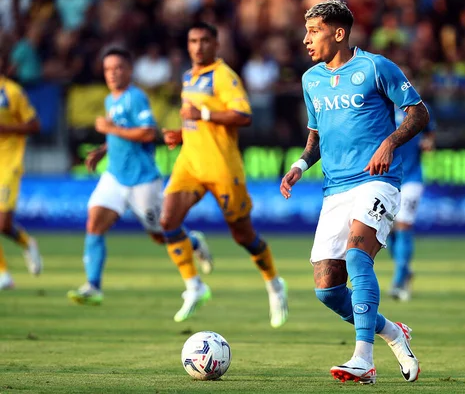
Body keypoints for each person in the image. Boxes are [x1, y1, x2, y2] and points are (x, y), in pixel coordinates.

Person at [280, 0, 429, 384]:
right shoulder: (310, 79)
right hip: (335, 188)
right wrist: (299, 166)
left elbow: (418, 113)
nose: (306, 39)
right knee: (327, 289)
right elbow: (316, 137)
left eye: (314, 31)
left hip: (377, 180)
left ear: (339, 33)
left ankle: (363, 359)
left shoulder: (376, 67)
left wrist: (390, 142)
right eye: (307, 31)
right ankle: (393, 332)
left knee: (358, 255)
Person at [161, 22, 289, 327]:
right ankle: (195, 286)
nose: (198, 46)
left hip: (222, 167)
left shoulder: (224, 75)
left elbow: (243, 115)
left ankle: (274, 284)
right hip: (190, 162)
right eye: (193, 40)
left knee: (243, 236)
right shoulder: (188, 76)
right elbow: (196, 120)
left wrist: (202, 115)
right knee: (167, 221)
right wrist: (182, 133)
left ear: (216, 45)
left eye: (205, 40)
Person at [67, 48, 212, 307]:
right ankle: (93, 286)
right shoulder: (111, 99)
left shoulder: (136, 98)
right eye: (108, 69)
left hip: (143, 181)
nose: (112, 74)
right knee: (94, 224)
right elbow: (120, 134)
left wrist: (110, 129)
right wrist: (103, 149)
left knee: (161, 235)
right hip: (115, 177)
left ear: (129, 71)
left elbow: (147, 133)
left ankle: (194, 242)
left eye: (118, 68)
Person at [0, 50, 43, 290]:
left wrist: (6, 128)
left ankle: (28, 243)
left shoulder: (11, 92)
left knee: (3, 224)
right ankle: (3, 275)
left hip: (8, 163)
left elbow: (35, 124)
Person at [389, 104, 436, 302]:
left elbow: (430, 134)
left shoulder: (417, 108)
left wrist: (428, 143)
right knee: (386, 231)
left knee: (404, 224)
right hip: (386, 179)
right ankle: (406, 270)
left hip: (411, 178)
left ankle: (399, 281)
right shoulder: (377, 106)